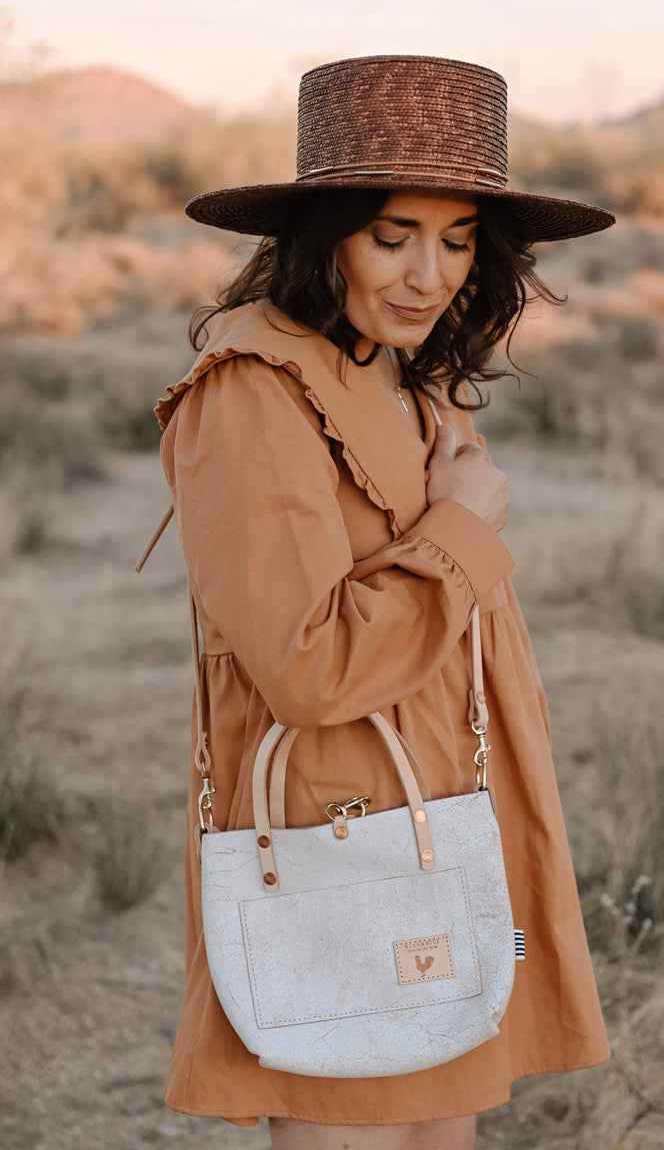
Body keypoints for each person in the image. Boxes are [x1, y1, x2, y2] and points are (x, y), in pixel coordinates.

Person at [154, 55, 615, 1150]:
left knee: (440, 1116)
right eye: (392, 234)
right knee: (351, 1111)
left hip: (444, 807)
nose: (427, 273)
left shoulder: (402, 375)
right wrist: (461, 526)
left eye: (456, 240)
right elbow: (306, 667)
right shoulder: (255, 392)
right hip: (340, 824)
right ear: (328, 236)